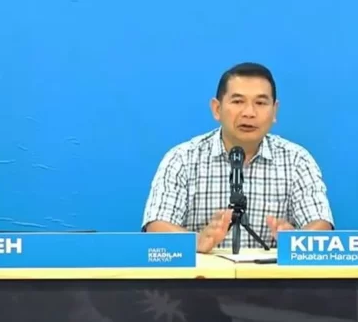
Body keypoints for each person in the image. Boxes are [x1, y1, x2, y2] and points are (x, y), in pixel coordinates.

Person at [142, 62, 334, 253]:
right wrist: (196, 242)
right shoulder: (182, 159)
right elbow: (157, 226)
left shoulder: (297, 161)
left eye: (260, 103)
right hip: (203, 273)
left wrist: (298, 240)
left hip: (271, 273)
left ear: (274, 111)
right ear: (217, 109)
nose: (249, 113)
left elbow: (321, 224)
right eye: (238, 102)